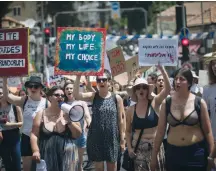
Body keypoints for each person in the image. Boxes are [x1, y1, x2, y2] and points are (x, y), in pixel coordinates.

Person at [151, 68, 214, 171]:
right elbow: (160, 132)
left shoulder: (199, 102)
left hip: (196, 154)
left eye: (182, 79)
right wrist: (154, 157)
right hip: (173, 154)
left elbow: (208, 132)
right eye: (176, 79)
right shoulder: (166, 103)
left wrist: (211, 157)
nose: (178, 82)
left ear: (189, 83)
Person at [73, 72, 126, 171]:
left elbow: (121, 120)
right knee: (99, 168)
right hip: (96, 137)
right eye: (99, 80)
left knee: (112, 167)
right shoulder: (94, 96)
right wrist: (78, 76)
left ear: (109, 82)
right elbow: (76, 95)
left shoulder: (116, 98)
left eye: (104, 80)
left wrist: (122, 140)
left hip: (112, 138)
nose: (101, 82)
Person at [125, 64, 171, 171]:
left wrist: (162, 70)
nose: (141, 90)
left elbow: (168, 89)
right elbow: (127, 131)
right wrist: (130, 148)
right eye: (138, 88)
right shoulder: (130, 110)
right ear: (135, 91)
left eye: (144, 87)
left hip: (156, 149)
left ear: (147, 90)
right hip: (138, 150)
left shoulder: (155, 103)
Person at [2, 76, 50, 171]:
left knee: (42, 167)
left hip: (42, 138)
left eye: (36, 86)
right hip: (26, 137)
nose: (32, 88)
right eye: (30, 86)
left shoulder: (47, 103)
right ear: (27, 87)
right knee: (27, 168)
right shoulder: (24, 100)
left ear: (41, 88)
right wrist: (4, 79)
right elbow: (7, 96)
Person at [30, 86, 82, 171]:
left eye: (62, 95)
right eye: (57, 95)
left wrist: (69, 122)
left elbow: (77, 135)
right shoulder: (41, 114)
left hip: (66, 157)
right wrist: (35, 150)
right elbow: (34, 134)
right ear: (49, 97)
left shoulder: (70, 112)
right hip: (46, 155)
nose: (60, 97)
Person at [63, 82, 91, 171]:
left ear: (75, 90)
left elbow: (87, 115)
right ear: (64, 91)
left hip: (81, 134)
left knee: (79, 162)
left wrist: (89, 124)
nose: (69, 90)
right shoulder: (62, 104)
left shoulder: (82, 102)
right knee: (70, 162)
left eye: (71, 88)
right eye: (67, 88)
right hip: (68, 136)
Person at [0, 87, 23, 171]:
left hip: (14, 136)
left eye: (1, 93)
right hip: (2, 138)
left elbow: (21, 123)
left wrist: (10, 124)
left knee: (17, 162)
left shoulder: (15, 106)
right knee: (7, 163)